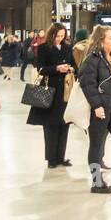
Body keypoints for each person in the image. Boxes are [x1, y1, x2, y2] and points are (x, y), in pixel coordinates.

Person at [78, 25, 111, 194]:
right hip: (99, 109)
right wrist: (97, 106)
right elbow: (87, 84)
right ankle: (96, 183)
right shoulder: (92, 59)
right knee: (96, 146)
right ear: (101, 41)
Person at [26, 23, 76, 169]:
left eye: (62, 36)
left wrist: (70, 68)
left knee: (64, 124)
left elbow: (74, 65)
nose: (59, 39)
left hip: (65, 91)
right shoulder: (43, 48)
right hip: (50, 89)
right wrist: (56, 68)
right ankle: (51, 158)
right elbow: (40, 68)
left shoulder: (67, 47)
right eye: (57, 36)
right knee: (50, 125)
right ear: (52, 34)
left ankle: (61, 157)